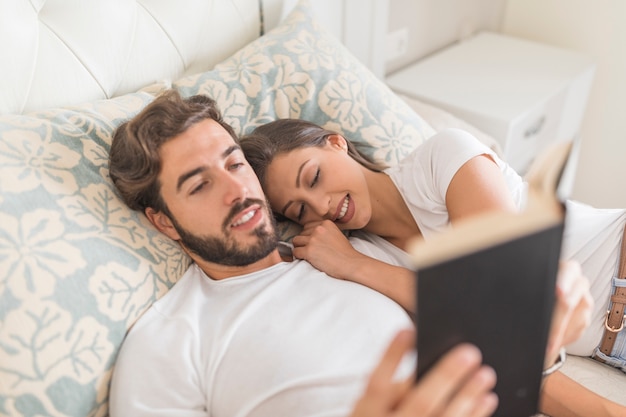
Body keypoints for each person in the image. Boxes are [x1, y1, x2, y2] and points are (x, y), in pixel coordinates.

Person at [107, 90, 586, 417]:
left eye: (234, 163)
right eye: (200, 185)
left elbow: (487, 346)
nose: (237, 190)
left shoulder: (355, 257)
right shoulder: (169, 341)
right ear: (163, 221)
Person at [239, 118, 626, 416]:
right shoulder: (366, 264)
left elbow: (506, 293)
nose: (321, 206)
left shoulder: (442, 158)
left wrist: (354, 264)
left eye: (314, 177)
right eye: (300, 210)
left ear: (336, 143)